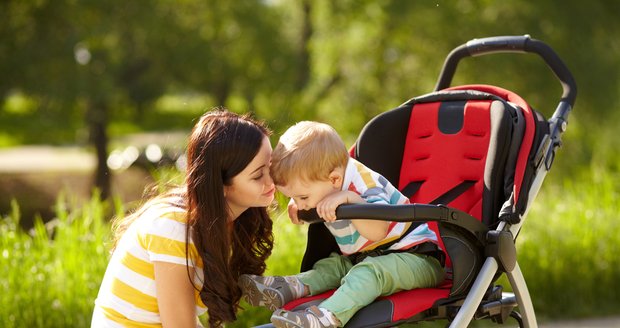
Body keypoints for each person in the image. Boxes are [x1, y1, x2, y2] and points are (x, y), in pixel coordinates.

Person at [239, 121, 446, 328]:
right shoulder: (326, 180)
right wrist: (299, 199)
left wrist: (351, 200)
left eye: (303, 197)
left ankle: (327, 317)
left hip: (418, 259)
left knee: (368, 273)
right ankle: (292, 286)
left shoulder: (365, 185)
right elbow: (313, 190)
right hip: (369, 257)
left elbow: (379, 231)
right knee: (331, 266)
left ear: (335, 179)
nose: (302, 205)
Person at [91, 109, 276, 328]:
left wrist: (308, 203)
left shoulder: (222, 218)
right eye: (257, 175)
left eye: (271, 166)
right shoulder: (174, 226)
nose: (271, 179)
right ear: (221, 185)